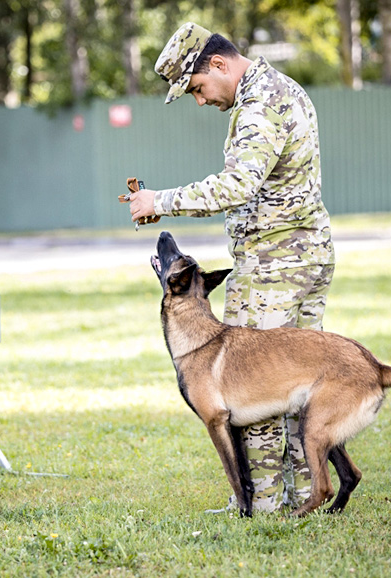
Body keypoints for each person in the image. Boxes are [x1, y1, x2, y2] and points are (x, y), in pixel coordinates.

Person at [127, 22, 336, 514]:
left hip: (272, 265)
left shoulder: (258, 106)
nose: (200, 101)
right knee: (301, 383)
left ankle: (263, 502)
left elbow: (236, 186)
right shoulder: (283, 89)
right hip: (308, 254)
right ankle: (307, 495)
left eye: (197, 88)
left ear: (218, 64)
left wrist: (163, 199)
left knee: (252, 380)